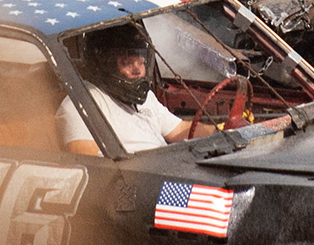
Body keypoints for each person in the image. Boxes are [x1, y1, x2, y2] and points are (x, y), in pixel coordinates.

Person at [58, 26, 210, 156]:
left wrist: (225, 130)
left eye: (141, 63)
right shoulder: (80, 104)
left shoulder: (144, 97)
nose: (138, 70)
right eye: (127, 63)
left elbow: (179, 130)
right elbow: (90, 166)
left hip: (167, 169)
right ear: (105, 64)